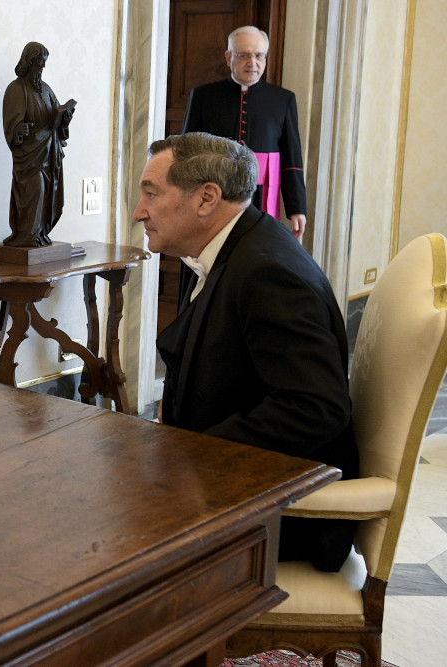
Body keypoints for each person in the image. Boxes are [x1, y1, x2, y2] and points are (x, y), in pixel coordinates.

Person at [135, 132, 358, 572]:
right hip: (227, 484)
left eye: (151, 193)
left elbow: (316, 407)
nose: (140, 211)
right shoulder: (237, 248)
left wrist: (192, 457)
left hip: (280, 515)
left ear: (206, 199)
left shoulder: (268, 273)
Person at [182, 26, 307, 241]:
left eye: (259, 55)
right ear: (229, 57)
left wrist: (297, 208)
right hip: (213, 193)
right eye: (243, 55)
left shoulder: (283, 100)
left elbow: (291, 159)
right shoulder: (204, 96)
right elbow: (186, 152)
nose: (252, 62)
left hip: (260, 198)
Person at [1, 41, 75, 247]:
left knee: (48, 194)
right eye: (39, 64)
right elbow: (10, 124)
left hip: (49, 153)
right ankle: (27, 236)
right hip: (29, 157)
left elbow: (55, 119)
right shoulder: (16, 89)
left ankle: (40, 235)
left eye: (44, 64)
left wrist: (64, 118)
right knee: (35, 191)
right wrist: (18, 130)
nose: (42, 68)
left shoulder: (46, 90)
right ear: (29, 62)